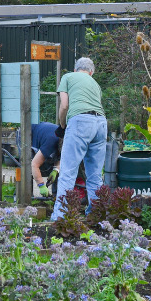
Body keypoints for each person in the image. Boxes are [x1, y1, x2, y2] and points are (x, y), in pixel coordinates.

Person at [51, 57, 107, 221]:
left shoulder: (68, 77)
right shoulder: (95, 84)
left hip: (80, 121)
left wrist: (62, 125)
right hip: (101, 124)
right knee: (95, 175)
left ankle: (60, 217)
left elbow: (64, 106)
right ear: (91, 72)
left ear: (76, 69)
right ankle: (96, 216)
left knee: (68, 172)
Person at [30, 121, 61, 198]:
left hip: (46, 133)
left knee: (59, 169)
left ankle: (55, 196)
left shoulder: (67, 142)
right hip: (28, 132)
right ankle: (26, 196)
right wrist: (41, 185)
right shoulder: (50, 143)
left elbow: (60, 156)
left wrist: (56, 170)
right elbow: (34, 164)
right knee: (26, 166)